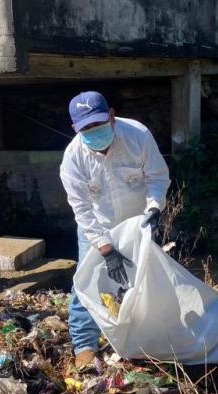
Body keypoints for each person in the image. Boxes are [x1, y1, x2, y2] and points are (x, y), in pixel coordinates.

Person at [60, 91, 171, 368]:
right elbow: (81, 209)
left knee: (144, 280)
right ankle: (84, 344)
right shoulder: (73, 158)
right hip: (98, 227)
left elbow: (157, 176)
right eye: (85, 128)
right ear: (76, 129)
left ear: (111, 115)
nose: (92, 132)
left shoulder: (137, 135)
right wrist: (106, 249)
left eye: (97, 125)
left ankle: (143, 336)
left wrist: (154, 208)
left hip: (139, 222)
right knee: (87, 282)